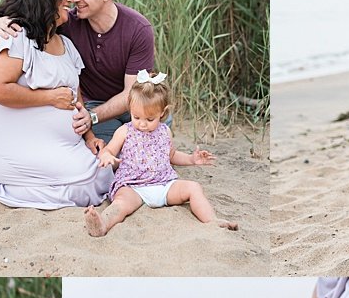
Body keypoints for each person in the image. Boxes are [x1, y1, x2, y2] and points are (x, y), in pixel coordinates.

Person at [0, 0, 113, 209]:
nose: (69, 0)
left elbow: (76, 100)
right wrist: (49, 97)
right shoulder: (14, 37)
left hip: (56, 144)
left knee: (102, 172)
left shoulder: (65, 43)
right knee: (90, 181)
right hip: (7, 142)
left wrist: (89, 136)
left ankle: (23, 186)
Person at [0, 0, 158, 140]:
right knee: (114, 158)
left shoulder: (138, 29)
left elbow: (132, 93)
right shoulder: (66, 21)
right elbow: (32, 16)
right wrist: (1, 20)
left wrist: (92, 117)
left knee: (153, 149)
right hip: (92, 104)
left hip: (135, 105)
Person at [83, 71, 237, 236]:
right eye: (136, 117)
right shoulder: (125, 131)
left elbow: (171, 155)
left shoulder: (165, 131)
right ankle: (102, 224)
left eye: (150, 119)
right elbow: (110, 149)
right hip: (134, 186)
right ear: (130, 108)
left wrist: (192, 159)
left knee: (194, 187)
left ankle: (211, 220)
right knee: (121, 203)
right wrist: (106, 155)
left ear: (162, 113)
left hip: (164, 185)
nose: (142, 124)